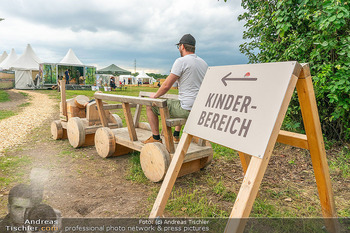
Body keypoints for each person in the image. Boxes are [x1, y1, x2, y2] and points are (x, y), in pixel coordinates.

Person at [143, 34, 208, 144]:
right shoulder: (204, 63)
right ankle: (176, 135)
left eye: (178, 46)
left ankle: (155, 137)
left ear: (182, 46)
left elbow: (166, 86)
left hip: (187, 108)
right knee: (179, 101)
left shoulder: (181, 61)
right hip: (200, 107)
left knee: (149, 105)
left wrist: (155, 96)